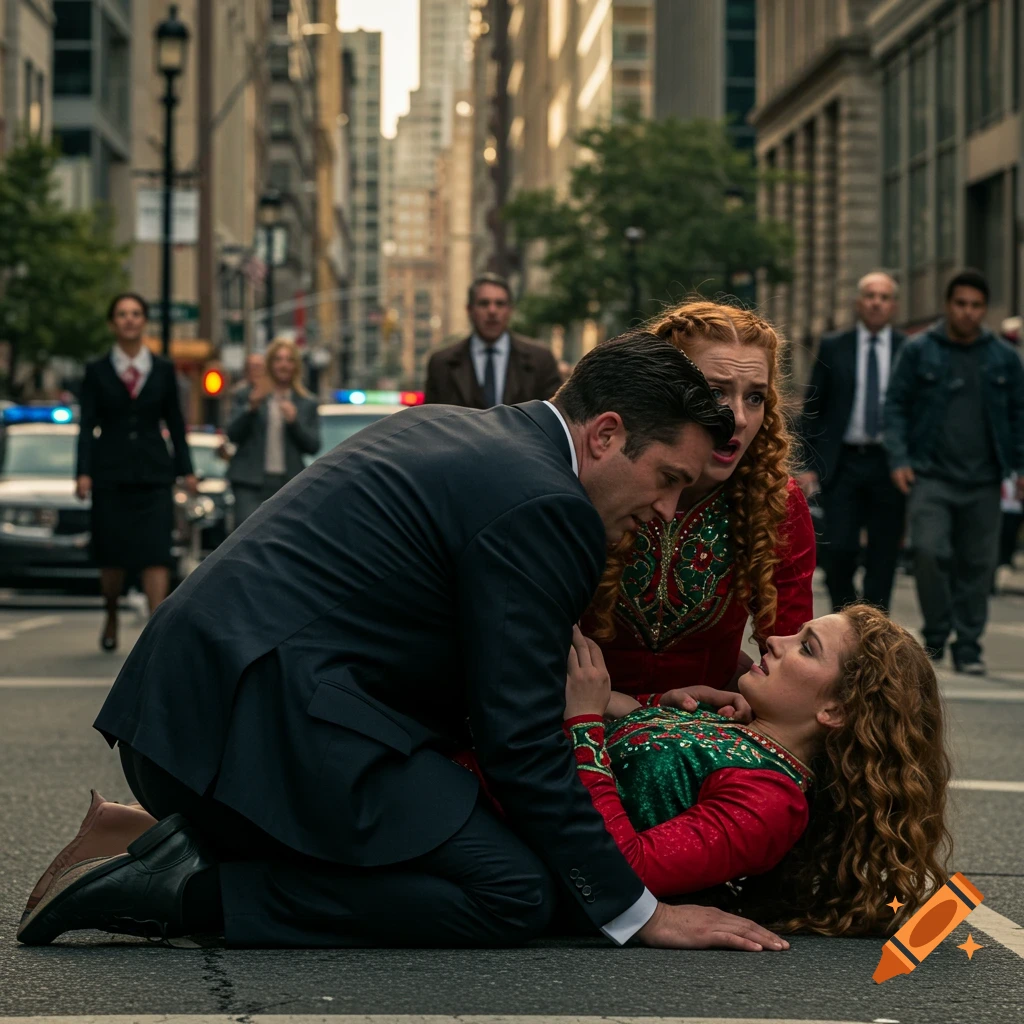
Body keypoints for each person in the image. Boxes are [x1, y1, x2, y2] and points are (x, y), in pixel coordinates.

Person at [20, 333, 791, 955]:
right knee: (509, 891)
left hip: (194, 718)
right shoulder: (548, 506)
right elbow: (520, 743)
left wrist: (623, 705)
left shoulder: (473, 433)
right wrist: (637, 912)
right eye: (666, 478)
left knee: (474, 842)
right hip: (261, 731)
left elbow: (487, 666)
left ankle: (150, 838)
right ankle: (176, 891)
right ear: (607, 433)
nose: (665, 510)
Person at [559, 605, 951, 937]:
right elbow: (635, 753)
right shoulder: (736, 726)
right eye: (796, 633)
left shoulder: (769, 802)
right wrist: (655, 705)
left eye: (806, 648)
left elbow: (626, 867)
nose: (774, 642)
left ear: (834, 711)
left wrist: (584, 723)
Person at [588, 301, 816, 696]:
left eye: (755, 398)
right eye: (715, 392)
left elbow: (790, 657)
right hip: (583, 716)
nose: (739, 418)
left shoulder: (777, 502)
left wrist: (751, 705)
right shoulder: (600, 477)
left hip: (707, 729)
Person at [885, 269, 1024, 675]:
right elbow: (895, 405)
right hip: (931, 475)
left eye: (976, 305)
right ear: (948, 305)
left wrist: (1019, 466)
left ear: (984, 309)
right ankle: (936, 631)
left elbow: (1019, 415)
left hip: (985, 480)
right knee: (928, 551)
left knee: (978, 565)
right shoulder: (919, 350)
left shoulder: (1003, 358)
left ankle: (968, 644)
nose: (968, 312)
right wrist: (899, 459)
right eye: (961, 304)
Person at [74, 293, 196, 652]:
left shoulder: (161, 369)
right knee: (111, 554)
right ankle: (111, 611)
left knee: (156, 551)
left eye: (136, 314)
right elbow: (86, 427)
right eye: (122, 314)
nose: (129, 320)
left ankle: (154, 630)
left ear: (144, 321)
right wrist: (83, 473)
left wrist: (186, 470)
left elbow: (175, 423)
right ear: (113, 323)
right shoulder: (96, 371)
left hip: (154, 474)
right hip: (110, 473)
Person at [796, 272, 907, 612]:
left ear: (893, 306)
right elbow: (813, 408)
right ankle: (845, 618)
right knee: (838, 548)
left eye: (883, 296)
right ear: (859, 303)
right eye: (870, 295)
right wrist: (809, 465)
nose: (876, 302)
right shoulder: (834, 345)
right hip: (842, 462)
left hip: (890, 465)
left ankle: (874, 627)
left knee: (883, 553)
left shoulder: (909, 350)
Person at [424, 273, 562, 408]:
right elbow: (432, 421)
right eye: (484, 303)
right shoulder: (441, 363)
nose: (492, 311)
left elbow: (554, 416)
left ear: (510, 310)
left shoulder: (541, 359)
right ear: (469, 310)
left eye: (500, 304)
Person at [226, 338, 320, 525]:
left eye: (289, 359)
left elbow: (313, 445)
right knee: (246, 537)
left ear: (296, 366)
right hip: (249, 482)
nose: (284, 364)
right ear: (270, 364)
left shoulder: (306, 401)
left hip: (289, 484)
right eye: (278, 359)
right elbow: (232, 434)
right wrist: (251, 408)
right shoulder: (247, 395)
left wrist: (295, 422)